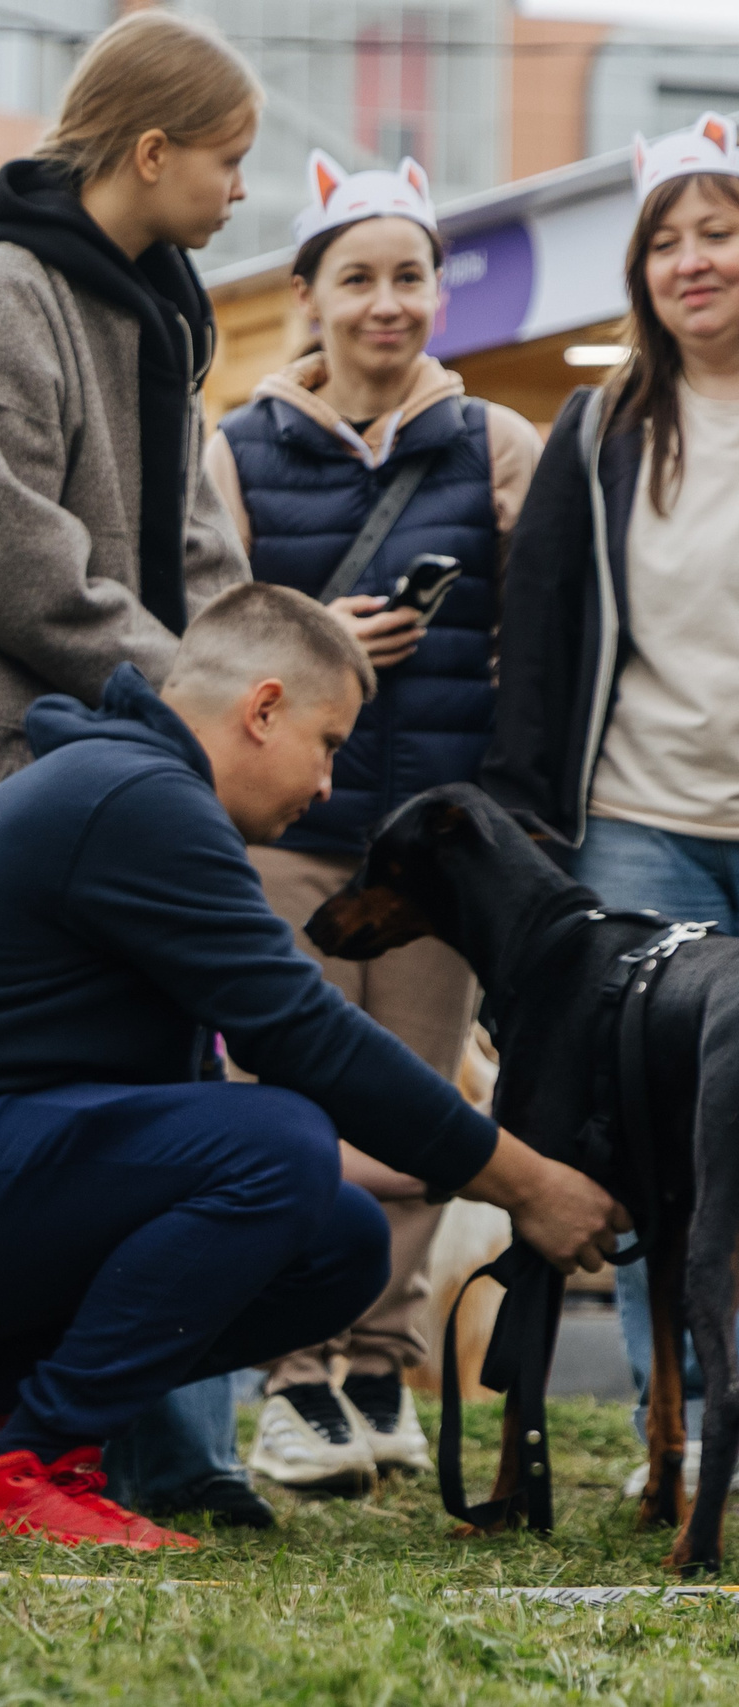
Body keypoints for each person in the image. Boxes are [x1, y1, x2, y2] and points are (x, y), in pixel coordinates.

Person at [0, 583, 626, 1551]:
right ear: (263, 710)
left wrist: (467, 1175)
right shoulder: (140, 802)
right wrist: (525, 1181)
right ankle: (27, 1470)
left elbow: (204, 1123)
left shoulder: (133, 792)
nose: (328, 785)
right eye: (329, 743)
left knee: (340, 1238)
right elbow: (302, 1035)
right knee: (284, 1144)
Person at [0, 7, 264, 1520]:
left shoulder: (156, 310)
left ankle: (150, 1450)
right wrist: (190, 692)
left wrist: (247, 677)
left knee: (144, 1096)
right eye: (227, 158)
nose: (241, 190)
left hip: (109, 755)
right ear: (147, 149)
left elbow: (191, 537)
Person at [201, 154, 543, 1499]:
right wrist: (314, 632)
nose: (385, 302)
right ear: (309, 295)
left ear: (436, 292)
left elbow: (536, 634)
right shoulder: (236, 445)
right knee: (284, 1104)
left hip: (437, 850)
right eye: (357, 277)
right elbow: (206, 636)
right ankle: (295, 1373)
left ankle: (382, 1367)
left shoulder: (494, 443)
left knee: (416, 1104)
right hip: (281, 831)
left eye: (409, 276)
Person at [482, 112, 739, 1480]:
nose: (693, 261)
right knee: (662, 1148)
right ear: (639, 272)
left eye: (719, 232)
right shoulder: (597, 431)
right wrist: (532, 818)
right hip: (643, 829)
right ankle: (678, 1433)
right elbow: (539, 635)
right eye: (666, 242)